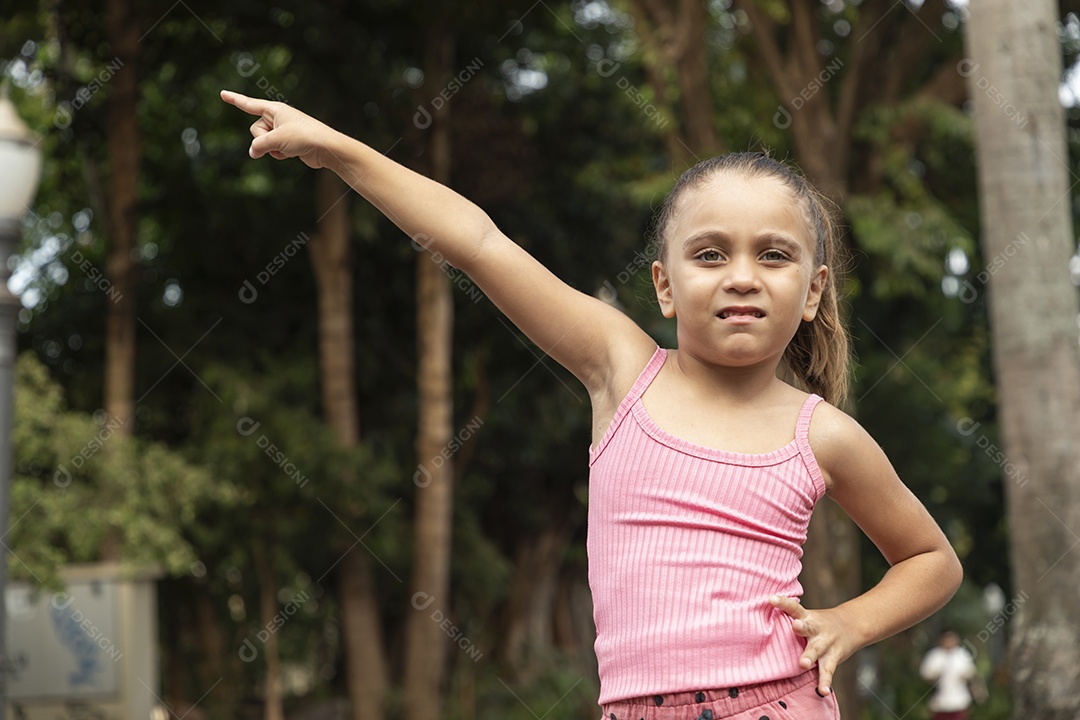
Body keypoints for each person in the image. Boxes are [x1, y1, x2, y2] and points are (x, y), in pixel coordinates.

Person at [220, 89, 963, 720]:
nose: (742, 276)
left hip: (776, 702)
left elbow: (931, 559)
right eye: (710, 254)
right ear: (665, 287)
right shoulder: (622, 368)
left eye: (774, 255)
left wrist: (850, 623)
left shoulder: (823, 434)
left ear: (814, 292)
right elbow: (478, 242)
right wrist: (336, 149)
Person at [920, 630, 978, 720]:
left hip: (959, 700)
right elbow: (926, 674)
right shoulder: (935, 655)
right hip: (940, 701)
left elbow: (971, 672)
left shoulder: (962, 654)